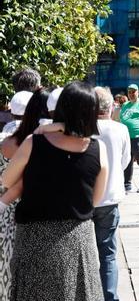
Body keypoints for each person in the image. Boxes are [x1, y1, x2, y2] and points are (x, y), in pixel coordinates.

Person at [2, 82, 108, 301]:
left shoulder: (34, 142)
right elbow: (95, 200)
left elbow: (6, 179)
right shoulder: (99, 149)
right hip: (78, 237)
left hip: (35, 237)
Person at [0, 90, 49, 300]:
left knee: (5, 275)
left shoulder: (5, 141)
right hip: (37, 217)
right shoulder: (50, 144)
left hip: (5, 216)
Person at [92, 87, 132, 301]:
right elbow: (125, 161)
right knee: (108, 254)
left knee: (87, 254)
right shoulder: (120, 129)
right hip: (110, 196)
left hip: (86, 198)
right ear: (111, 106)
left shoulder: (82, 128)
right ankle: (110, 296)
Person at [119, 84, 139, 193]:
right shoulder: (125, 105)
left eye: (134, 92)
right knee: (127, 161)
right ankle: (127, 185)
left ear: (138, 92)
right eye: (129, 92)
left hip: (138, 137)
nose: (131, 94)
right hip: (126, 138)